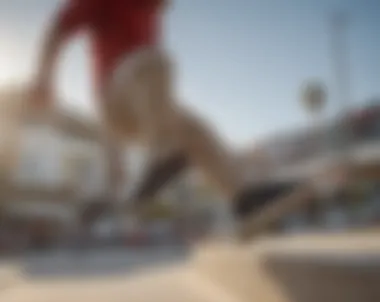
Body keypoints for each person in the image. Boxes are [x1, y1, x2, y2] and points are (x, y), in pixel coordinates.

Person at [30, 0, 297, 237]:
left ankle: (243, 197)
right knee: (151, 62)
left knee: (194, 128)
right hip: (115, 101)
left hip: (145, 107)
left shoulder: (150, 11)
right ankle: (162, 153)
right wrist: (43, 79)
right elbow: (58, 29)